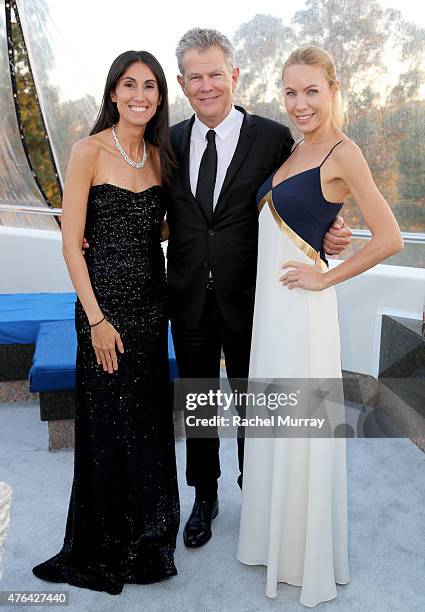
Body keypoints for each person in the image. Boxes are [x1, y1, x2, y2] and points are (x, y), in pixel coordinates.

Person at [166, 28, 351, 549]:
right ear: (182, 83)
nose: (206, 86)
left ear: (235, 76)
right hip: (188, 297)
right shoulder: (171, 141)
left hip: (254, 300)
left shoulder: (274, 139)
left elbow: (306, 192)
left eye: (215, 74)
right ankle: (205, 497)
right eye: (195, 77)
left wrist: (331, 231)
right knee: (198, 403)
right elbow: (158, 211)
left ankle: (258, 493)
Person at [237, 45, 404, 607]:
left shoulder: (343, 151)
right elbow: (306, 222)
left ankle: (303, 557)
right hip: (272, 316)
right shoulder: (294, 147)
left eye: (311, 90)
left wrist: (324, 279)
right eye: (290, 91)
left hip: (304, 316)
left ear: (333, 90)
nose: (300, 102)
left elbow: (390, 237)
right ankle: (271, 543)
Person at [32, 51, 179, 595]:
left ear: (160, 97)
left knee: (144, 421)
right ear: (113, 93)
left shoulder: (163, 156)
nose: (140, 94)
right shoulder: (87, 151)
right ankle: (105, 541)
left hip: (150, 305)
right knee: (107, 425)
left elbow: (161, 227)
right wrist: (96, 319)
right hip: (103, 310)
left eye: (150, 86)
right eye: (129, 84)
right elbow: (70, 244)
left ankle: (148, 534)